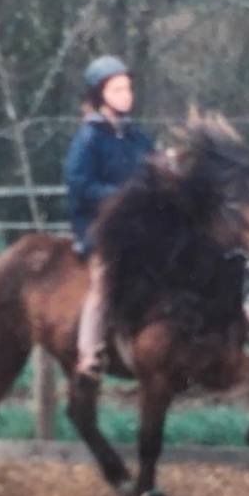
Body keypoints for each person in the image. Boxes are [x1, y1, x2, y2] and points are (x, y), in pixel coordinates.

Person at [64, 55, 154, 380]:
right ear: (100, 95)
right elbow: (80, 185)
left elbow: (153, 169)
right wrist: (120, 197)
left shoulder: (137, 136)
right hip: (99, 226)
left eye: (127, 88)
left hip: (137, 224)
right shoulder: (88, 138)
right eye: (117, 90)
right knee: (104, 280)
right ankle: (89, 352)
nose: (126, 96)